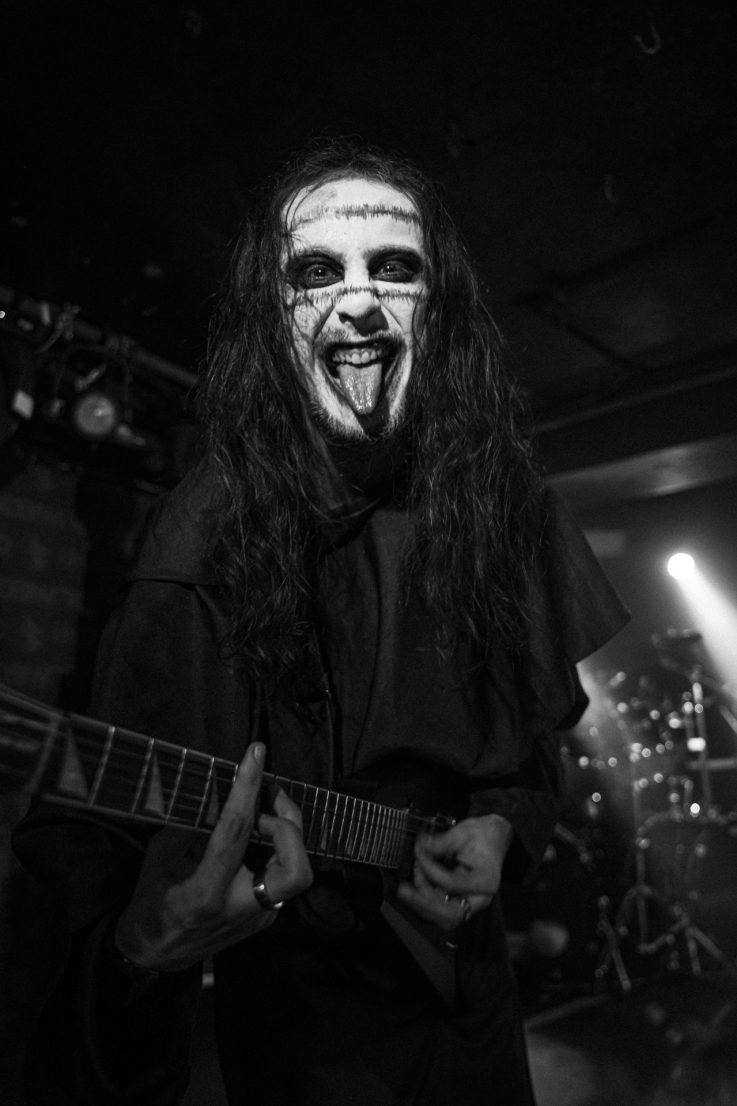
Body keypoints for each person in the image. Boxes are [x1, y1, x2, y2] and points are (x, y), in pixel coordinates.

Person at [14, 138, 629, 1105]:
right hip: (312, 1032)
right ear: (272, 318)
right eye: (314, 274)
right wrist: (143, 947)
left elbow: (530, 755)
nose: (356, 304)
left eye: (394, 269)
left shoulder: (494, 503)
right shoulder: (202, 538)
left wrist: (502, 832)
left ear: (444, 309)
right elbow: (89, 872)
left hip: (470, 992)